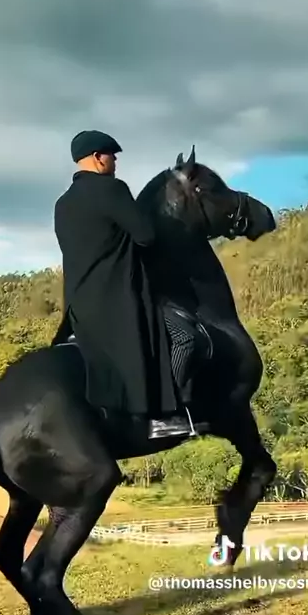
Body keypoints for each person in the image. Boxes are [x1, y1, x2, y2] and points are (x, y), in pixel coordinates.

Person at [51, 129, 197, 438]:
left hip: (79, 308)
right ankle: (164, 418)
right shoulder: (112, 190)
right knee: (184, 336)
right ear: (98, 158)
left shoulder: (62, 204)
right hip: (118, 299)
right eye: (112, 156)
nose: (115, 162)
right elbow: (146, 236)